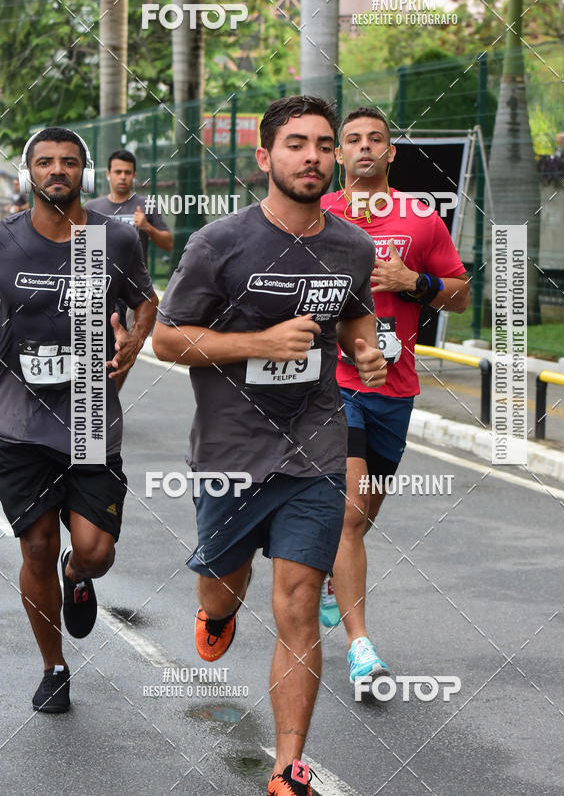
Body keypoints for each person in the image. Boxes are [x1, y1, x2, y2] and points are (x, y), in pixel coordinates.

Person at [153, 95, 387, 796]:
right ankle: (216, 610)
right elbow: (167, 339)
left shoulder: (353, 247)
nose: (313, 156)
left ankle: (288, 768)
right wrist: (259, 342)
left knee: (299, 599)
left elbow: (356, 317)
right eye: (296, 144)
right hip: (229, 451)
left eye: (323, 144)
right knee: (224, 585)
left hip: (315, 447)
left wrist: (366, 351)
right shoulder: (218, 243)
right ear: (264, 157)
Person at [0, 127, 158, 713]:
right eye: (45, 162)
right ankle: (54, 667)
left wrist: (134, 342)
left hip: (90, 417)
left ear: (84, 173)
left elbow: (145, 299)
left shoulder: (111, 239)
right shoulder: (6, 241)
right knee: (35, 547)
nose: (57, 170)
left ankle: (79, 573)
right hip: (19, 424)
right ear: (29, 173)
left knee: (97, 551)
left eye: (69, 162)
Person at [320, 106, 470, 684]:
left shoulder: (420, 217)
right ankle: (361, 645)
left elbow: (459, 294)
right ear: (338, 153)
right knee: (351, 512)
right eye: (352, 139)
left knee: (363, 516)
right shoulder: (319, 212)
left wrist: (415, 283)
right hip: (333, 384)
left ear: (391, 152)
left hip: (394, 387)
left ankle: (333, 572)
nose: (364, 147)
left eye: (375, 139)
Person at [86, 149, 172, 390]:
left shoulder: (145, 205)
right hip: (99, 289)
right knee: (95, 347)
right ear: (108, 174)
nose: (122, 177)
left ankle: (111, 395)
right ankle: (97, 395)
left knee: (125, 348)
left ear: (134, 175)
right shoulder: (93, 207)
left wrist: (147, 227)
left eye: (127, 172)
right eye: (118, 172)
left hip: (134, 291)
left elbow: (168, 243)